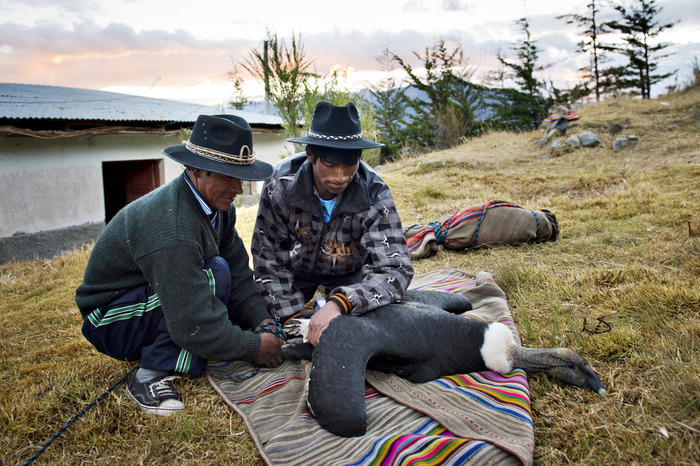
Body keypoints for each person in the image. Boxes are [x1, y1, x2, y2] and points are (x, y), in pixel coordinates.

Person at [75, 114, 285, 416]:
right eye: (227, 176)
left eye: (240, 177)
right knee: (214, 276)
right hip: (110, 321)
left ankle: (172, 350)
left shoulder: (219, 208)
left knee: (222, 272)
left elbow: (239, 271)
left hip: (148, 297)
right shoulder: (173, 226)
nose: (238, 188)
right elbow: (191, 320)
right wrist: (254, 347)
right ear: (196, 169)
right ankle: (149, 375)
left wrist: (262, 321)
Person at [251, 101, 414, 346]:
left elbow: (396, 268)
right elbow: (267, 256)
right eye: (330, 163)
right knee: (256, 311)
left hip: (351, 273)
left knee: (376, 323)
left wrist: (341, 303)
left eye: (349, 164)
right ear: (310, 154)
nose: (341, 176)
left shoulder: (375, 195)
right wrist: (292, 319)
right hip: (296, 270)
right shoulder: (280, 185)